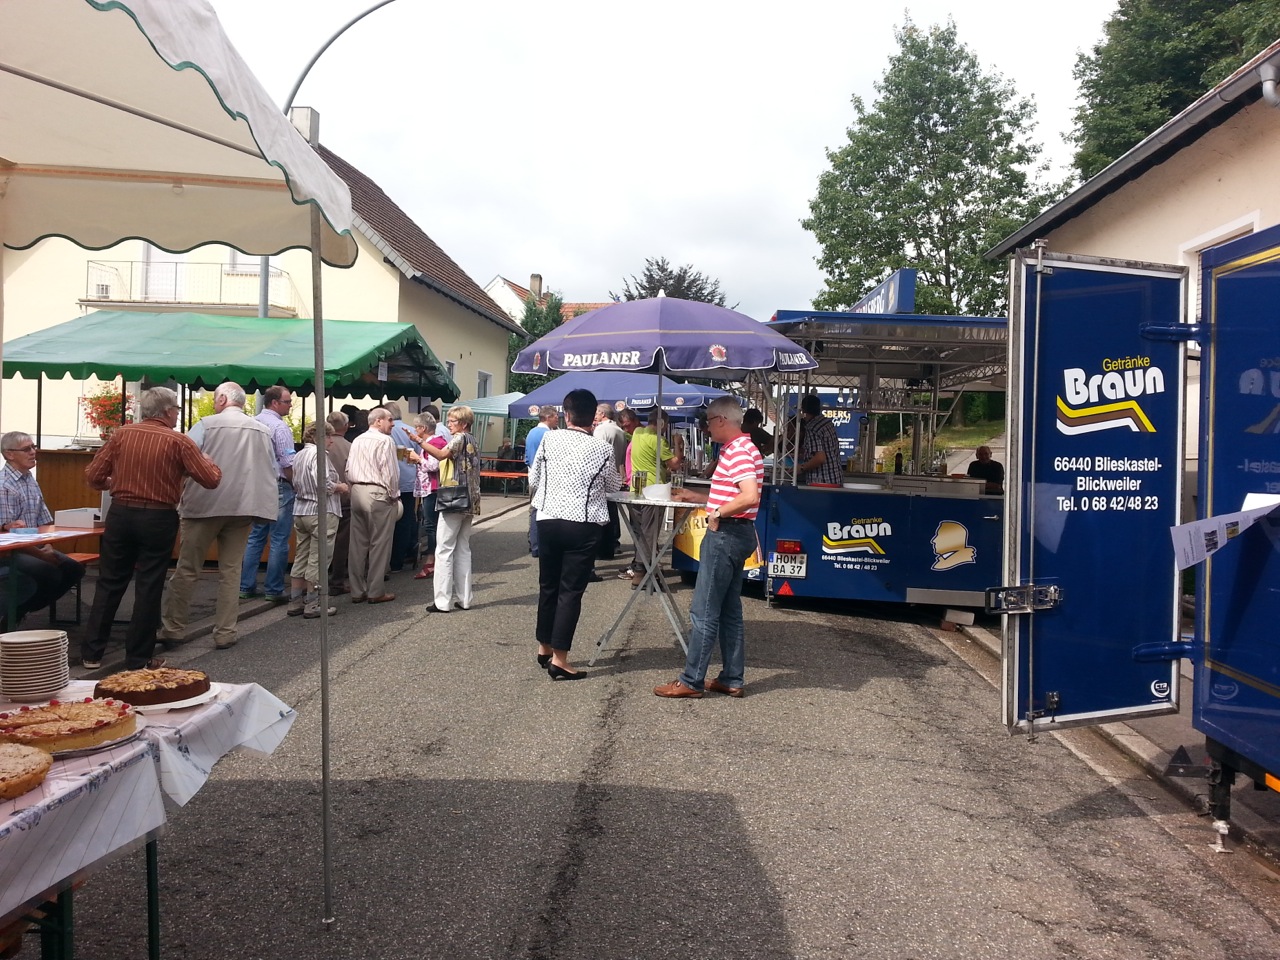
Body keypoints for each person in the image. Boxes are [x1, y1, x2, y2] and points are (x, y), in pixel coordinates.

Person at [83, 387, 221, 670]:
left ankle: (92, 653)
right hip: (158, 518)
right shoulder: (178, 441)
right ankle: (138, 657)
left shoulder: (122, 434)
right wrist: (208, 462)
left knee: (110, 581)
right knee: (149, 584)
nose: (176, 415)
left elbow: (94, 475)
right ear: (169, 411)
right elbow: (210, 480)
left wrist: (113, 483)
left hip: (120, 513)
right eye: (177, 410)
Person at [654, 396, 763, 699]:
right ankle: (731, 678)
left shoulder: (738, 450)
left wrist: (715, 512)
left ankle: (692, 680)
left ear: (721, 421)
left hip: (726, 535)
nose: (706, 428)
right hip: (738, 534)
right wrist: (700, 498)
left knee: (703, 610)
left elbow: (749, 496)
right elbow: (738, 495)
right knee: (729, 610)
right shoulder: (741, 448)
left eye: (708, 421)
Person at [159, 382, 276, 652]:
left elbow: (183, 460)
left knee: (188, 568)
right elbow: (268, 469)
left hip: (204, 505)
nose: (213, 402)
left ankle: (173, 628)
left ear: (223, 399)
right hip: (242, 507)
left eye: (215, 398)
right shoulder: (262, 429)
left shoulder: (205, 425)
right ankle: (225, 632)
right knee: (231, 572)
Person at [529, 389, 619, 680]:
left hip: (547, 518)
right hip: (583, 522)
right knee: (570, 591)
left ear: (566, 414)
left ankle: (544, 646)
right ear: (593, 416)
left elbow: (534, 479)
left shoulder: (549, 438)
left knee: (548, 585)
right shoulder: (601, 449)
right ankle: (560, 658)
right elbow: (612, 485)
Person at [0, 431, 85, 626]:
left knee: (74, 569)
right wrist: (43, 555)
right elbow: (8, 538)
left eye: (33, 447)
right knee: (49, 571)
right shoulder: (4, 485)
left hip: (35, 545)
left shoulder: (30, 480)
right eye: (27, 449)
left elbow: (45, 522)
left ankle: (22, 609)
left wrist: (47, 545)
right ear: (9, 454)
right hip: (11, 552)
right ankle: (12, 617)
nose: (33, 452)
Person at [418, 405, 481, 614]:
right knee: (463, 548)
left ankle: (442, 601)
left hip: (454, 497)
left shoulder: (458, 438)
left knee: (444, 549)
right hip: (470, 499)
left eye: (453, 421)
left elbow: (441, 454)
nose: (449, 425)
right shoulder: (472, 439)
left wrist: (418, 441)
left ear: (463, 423)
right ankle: (465, 598)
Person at [239, 385, 296, 602]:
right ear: (275, 403)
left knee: (255, 536)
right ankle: (274, 589)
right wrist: (295, 483)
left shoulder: (252, 423)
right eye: (287, 401)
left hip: (255, 483)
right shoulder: (280, 428)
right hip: (278, 484)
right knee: (279, 538)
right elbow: (287, 461)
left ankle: (246, 586)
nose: (290, 405)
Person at [288, 421, 347, 618]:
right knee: (320, 557)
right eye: (328, 436)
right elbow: (323, 483)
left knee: (302, 555)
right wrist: (340, 487)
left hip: (301, 509)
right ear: (318, 437)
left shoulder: (299, 455)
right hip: (321, 510)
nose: (331, 440)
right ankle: (313, 602)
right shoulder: (318, 455)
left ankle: (295, 599)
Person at [345, 407, 400, 604]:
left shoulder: (358, 439)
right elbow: (390, 472)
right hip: (377, 492)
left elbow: (348, 467)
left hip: (357, 490)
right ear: (378, 421)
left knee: (357, 544)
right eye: (390, 420)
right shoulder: (385, 441)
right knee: (379, 543)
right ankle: (375, 590)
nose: (392, 424)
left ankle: (357, 590)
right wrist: (394, 495)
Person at [624, 409, 681, 586]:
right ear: (662, 424)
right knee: (650, 531)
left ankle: (644, 566)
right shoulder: (658, 440)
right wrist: (678, 444)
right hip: (654, 490)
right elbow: (675, 464)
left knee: (638, 530)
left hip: (636, 487)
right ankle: (642, 570)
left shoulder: (638, 433)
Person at [385, 401, 420, 573]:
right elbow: (419, 456)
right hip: (409, 480)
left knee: (388, 522)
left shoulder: (386, 432)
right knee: (407, 518)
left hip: (389, 482)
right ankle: (405, 555)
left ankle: (391, 558)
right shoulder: (410, 431)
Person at [412, 411, 447, 580]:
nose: (415, 430)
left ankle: (432, 560)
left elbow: (434, 466)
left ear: (422, 428)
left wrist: (417, 459)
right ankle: (434, 559)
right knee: (432, 524)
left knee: (431, 525)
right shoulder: (433, 442)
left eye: (416, 427)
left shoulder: (436, 442)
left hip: (433, 489)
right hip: (430, 488)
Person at [592, 403, 628, 565]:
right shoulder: (620, 431)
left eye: (596, 414)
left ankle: (604, 545)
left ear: (602, 414)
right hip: (616, 474)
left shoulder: (601, 430)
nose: (595, 416)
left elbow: (596, 453)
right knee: (612, 510)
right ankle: (613, 542)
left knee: (601, 511)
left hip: (602, 474)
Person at [325, 410, 354, 594]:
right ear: (345, 426)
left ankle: (312, 584)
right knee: (342, 542)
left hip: (320, 500)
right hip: (343, 499)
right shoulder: (350, 446)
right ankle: (337, 581)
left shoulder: (317, 446)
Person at [523, 405, 558, 558]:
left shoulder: (531, 432)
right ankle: (539, 545)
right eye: (556, 416)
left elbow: (528, 458)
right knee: (542, 512)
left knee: (534, 509)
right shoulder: (548, 435)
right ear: (548, 417)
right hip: (545, 478)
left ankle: (533, 543)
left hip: (532, 476)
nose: (558, 419)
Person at [797, 393, 842, 485]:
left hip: (821, 480)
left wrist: (802, 468)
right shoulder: (826, 423)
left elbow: (820, 458)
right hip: (835, 476)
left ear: (803, 409)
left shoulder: (812, 428)